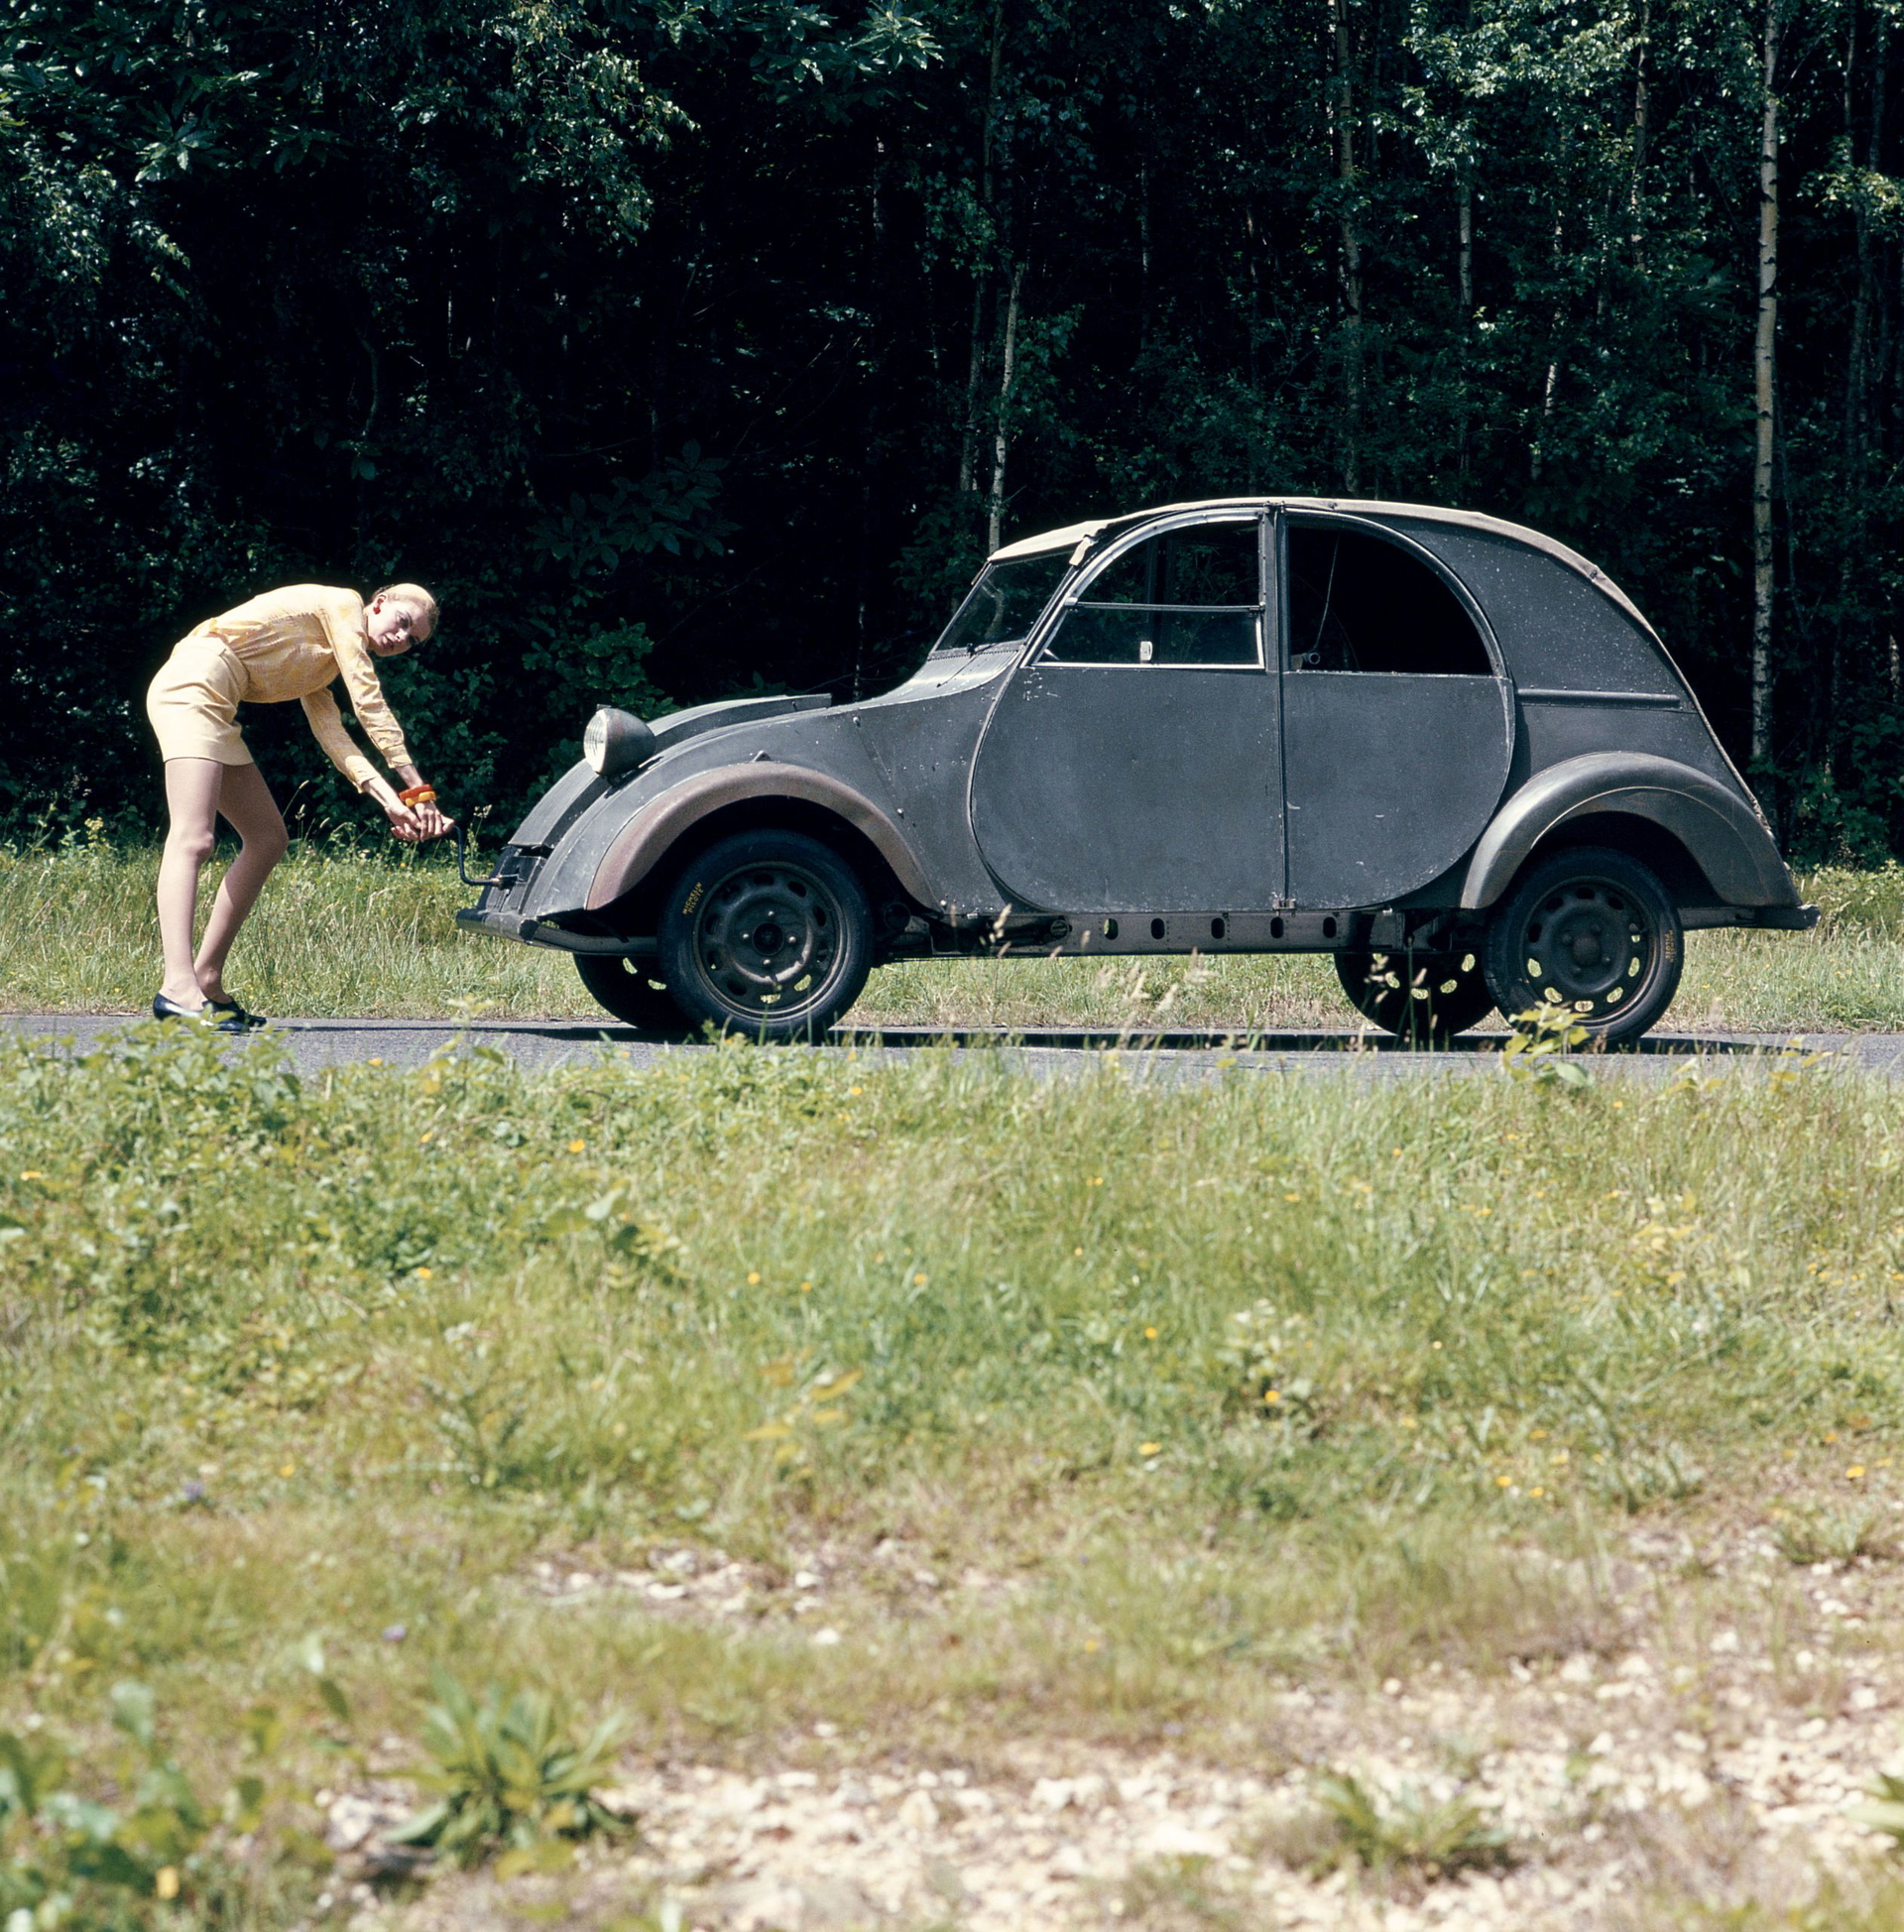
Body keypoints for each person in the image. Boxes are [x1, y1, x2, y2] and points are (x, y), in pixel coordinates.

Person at [144, 581, 453, 1028]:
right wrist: (417, 790)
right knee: (195, 838)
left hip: (217, 703)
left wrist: (390, 802)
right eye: (403, 623)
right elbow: (367, 700)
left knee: (268, 839)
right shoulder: (342, 604)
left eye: (413, 640)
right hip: (193, 684)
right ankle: (177, 987)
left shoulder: (323, 664)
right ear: (379, 603)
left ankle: (206, 980)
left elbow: (335, 738)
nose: (402, 639)